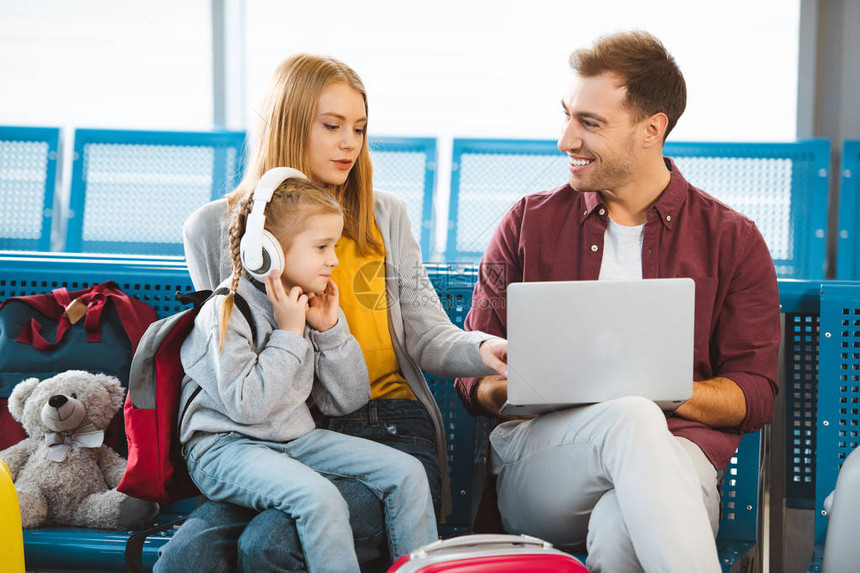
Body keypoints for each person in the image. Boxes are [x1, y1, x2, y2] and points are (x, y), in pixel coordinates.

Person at [154, 53, 508, 572]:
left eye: (360, 128)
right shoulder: (213, 228)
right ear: (291, 125)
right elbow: (233, 358)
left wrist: (484, 349)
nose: (350, 143)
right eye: (332, 125)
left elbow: (428, 333)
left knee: (271, 543)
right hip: (276, 432)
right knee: (191, 555)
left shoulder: (384, 216)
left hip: (387, 426)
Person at [454, 30, 781, 573]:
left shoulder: (732, 239)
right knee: (629, 415)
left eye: (590, 123)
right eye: (568, 116)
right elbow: (472, 381)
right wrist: (535, 383)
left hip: (677, 461)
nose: (565, 140)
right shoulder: (527, 224)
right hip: (543, 467)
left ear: (652, 130)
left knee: (619, 523)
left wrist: (663, 392)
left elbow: (755, 395)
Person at [178, 171, 438, 573]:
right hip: (225, 447)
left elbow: (348, 400)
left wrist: (330, 331)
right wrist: (289, 334)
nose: (333, 259)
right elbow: (249, 406)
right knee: (320, 499)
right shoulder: (225, 312)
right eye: (321, 247)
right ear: (269, 251)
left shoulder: (306, 304)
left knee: (407, 473)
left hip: (292, 438)